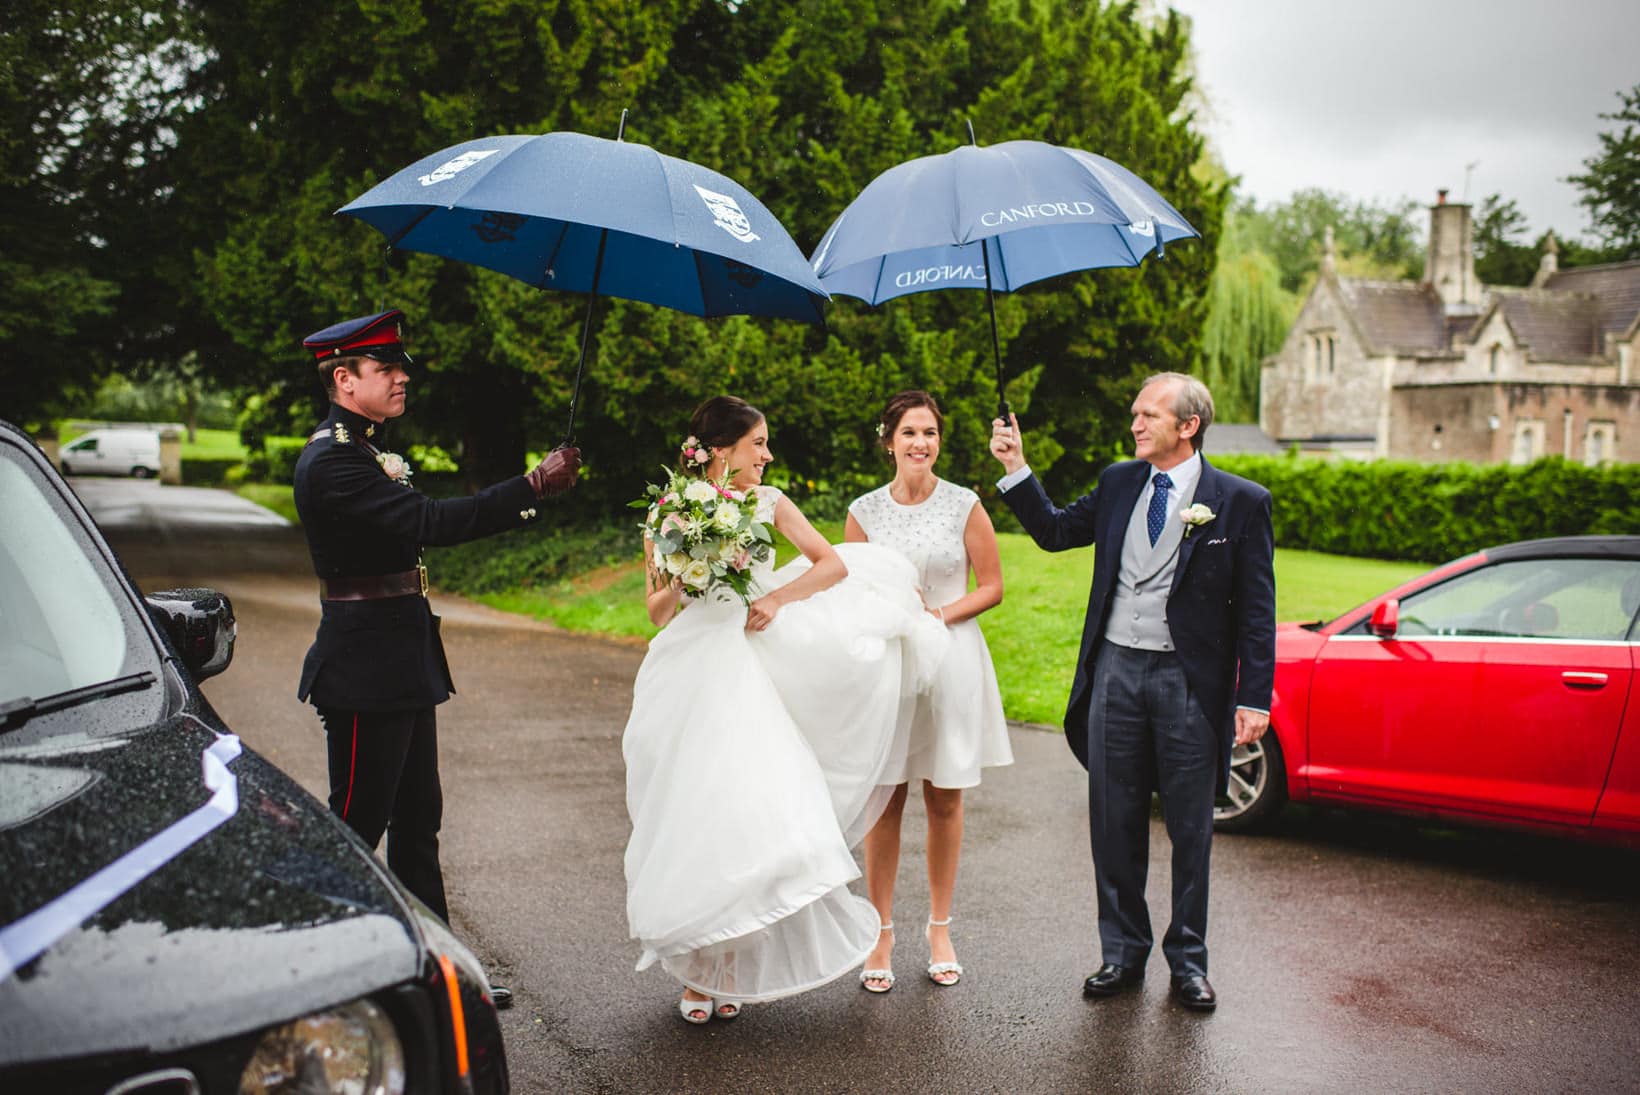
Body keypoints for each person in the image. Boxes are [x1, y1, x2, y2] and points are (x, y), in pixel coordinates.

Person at [622, 395, 945, 1024]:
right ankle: (695, 968)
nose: (768, 454)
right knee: (691, 812)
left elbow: (831, 564)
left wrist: (779, 602)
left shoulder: (768, 504)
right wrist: (689, 572)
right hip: (686, 669)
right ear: (722, 450)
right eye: (758, 443)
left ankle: (731, 968)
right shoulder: (667, 513)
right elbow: (656, 611)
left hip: (748, 670)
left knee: (745, 813)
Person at [293, 308, 579, 1011]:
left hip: (400, 659)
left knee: (419, 823)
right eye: (385, 368)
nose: (400, 379)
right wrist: (531, 486)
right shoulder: (333, 461)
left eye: (400, 367)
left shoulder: (360, 452)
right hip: (364, 672)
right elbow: (429, 522)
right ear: (343, 377)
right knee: (357, 826)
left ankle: (440, 977)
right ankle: (324, 978)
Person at [988, 372, 1274, 1012]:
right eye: (1136, 412)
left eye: (1150, 415)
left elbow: (1257, 610)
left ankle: (1189, 963)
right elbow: (1057, 531)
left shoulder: (1241, 501)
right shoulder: (1121, 482)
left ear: (1188, 426)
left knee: (1191, 830)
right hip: (1114, 672)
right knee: (1114, 822)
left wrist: (1254, 696)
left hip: (1188, 683)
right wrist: (1016, 468)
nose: (1136, 424)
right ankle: (1121, 954)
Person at [844, 390, 1011, 992]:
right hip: (888, 666)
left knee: (944, 798)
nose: (921, 443)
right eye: (910, 432)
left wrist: (936, 617)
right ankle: (881, 930)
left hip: (951, 662)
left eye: (931, 433)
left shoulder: (965, 504)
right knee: (883, 798)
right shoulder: (863, 512)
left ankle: (940, 926)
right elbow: (852, 590)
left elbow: (991, 586)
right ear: (887, 439)